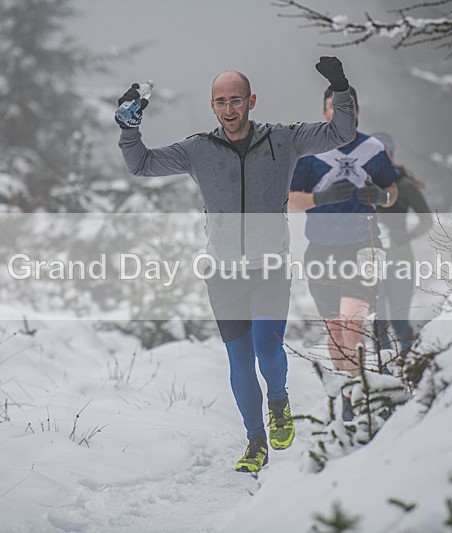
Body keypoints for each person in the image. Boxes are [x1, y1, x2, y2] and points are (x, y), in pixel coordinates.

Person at [117, 57, 357, 472]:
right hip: (223, 275)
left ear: (251, 101)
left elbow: (342, 131)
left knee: (266, 347)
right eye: (221, 102)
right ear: (212, 106)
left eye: (236, 100)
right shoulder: (198, 150)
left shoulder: (284, 140)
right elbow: (141, 164)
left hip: (270, 269)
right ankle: (254, 441)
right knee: (239, 361)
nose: (229, 109)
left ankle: (279, 402)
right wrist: (128, 129)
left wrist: (340, 88)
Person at [289, 87, 398, 422]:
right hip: (321, 249)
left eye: (346, 108)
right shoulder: (310, 154)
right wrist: (320, 200)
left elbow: (393, 193)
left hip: (363, 245)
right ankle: (349, 395)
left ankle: (363, 391)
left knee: (353, 322)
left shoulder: (372, 149)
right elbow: (291, 201)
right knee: (336, 331)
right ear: (324, 113)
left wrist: (380, 195)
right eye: (332, 109)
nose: (339, 114)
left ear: (356, 111)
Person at [371, 132, 432, 357]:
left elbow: (426, 219)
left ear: (391, 154)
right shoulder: (362, 186)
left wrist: (406, 235)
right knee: (378, 325)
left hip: (400, 261)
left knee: (398, 322)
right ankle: (383, 380)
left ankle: (411, 367)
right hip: (371, 263)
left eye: (383, 151)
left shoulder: (404, 185)